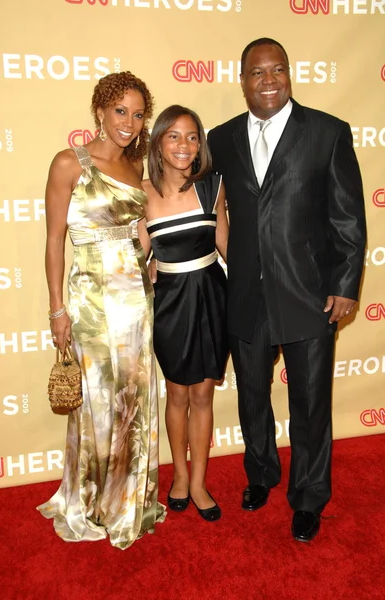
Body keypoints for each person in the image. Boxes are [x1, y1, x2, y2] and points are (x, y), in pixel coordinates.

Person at [207, 38, 366, 542]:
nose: (269, 80)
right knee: (252, 396)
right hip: (246, 295)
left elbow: (348, 217)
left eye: (278, 70)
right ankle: (261, 474)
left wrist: (345, 285)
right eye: (257, 72)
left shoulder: (327, 132)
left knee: (312, 403)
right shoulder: (222, 138)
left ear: (289, 75)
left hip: (310, 293)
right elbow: (204, 208)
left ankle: (309, 496)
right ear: (243, 80)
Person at [37, 71, 166, 549]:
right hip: (90, 298)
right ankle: (89, 499)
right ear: (100, 111)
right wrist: (56, 309)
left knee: (134, 398)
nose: (129, 123)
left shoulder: (137, 170)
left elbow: (141, 231)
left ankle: (129, 499)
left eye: (136, 114)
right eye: (120, 112)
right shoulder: (70, 163)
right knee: (96, 403)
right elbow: (53, 241)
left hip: (136, 298)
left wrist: (150, 263)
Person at [140, 105, 228, 521]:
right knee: (176, 394)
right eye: (174, 136)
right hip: (170, 303)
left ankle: (198, 482)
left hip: (212, 296)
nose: (184, 145)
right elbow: (135, 256)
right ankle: (177, 475)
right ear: (158, 141)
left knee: (203, 394)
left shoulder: (213, 186)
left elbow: (228, 246)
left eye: (192, 136)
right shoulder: (140, 194)